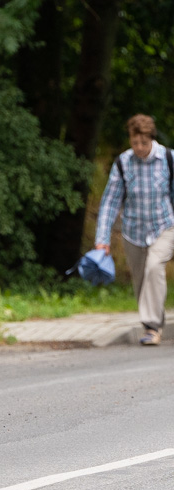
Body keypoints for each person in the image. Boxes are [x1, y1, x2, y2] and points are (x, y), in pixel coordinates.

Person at [95, 114, 174, 346]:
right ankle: (154, 325)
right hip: (133, 231)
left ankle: (151, 326)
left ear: (152, 139)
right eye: (134, 142)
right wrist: (102, 238)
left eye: (144, 143)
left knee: (153, 266)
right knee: (140, 281)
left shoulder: (168, 159)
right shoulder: (123, 163)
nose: (139, 147)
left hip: (165, 226)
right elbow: (110, 202)